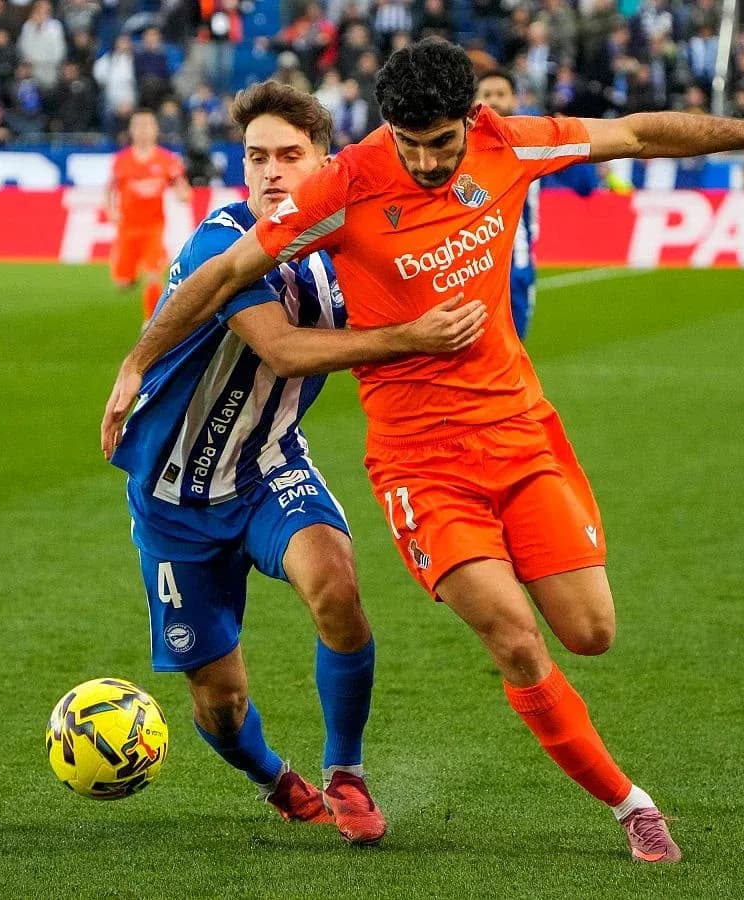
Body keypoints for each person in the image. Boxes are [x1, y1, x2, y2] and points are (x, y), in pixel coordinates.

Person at [103, 39, 744, 864]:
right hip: (396, 467)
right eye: (406, 143)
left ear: (471, 122)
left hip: (504, 436)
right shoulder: (339, 194)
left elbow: (634, 133)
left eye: (439, 144)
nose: (422, 161)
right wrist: (137, 358)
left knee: (589, 632)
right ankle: (628, 805)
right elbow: (231, 285)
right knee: (499, 640)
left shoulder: (508, 144)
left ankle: (349, 758)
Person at [104, 82, 487, 845]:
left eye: (290, 155)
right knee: (219, 701)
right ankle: (275, 777)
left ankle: (346, 772)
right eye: (257, 157)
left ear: (325, 162)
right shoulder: (223, 243)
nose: (272, 171)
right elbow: (281, 347)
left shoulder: (348, 240)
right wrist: (414, 335)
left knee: (337, 587)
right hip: (175, 501)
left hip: (269, 468)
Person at [475, 69, 542, 340]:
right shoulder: (461, 148)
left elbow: (583, 185)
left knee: (514, 349)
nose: (494, 101)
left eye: (501, 94)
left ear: (515, 99)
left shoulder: (535, 141)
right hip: (474, 265)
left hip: (518, 262)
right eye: (487, 95)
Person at [107, 109, 191, 319]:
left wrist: (183, 194)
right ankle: (129, 275)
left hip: (154, 226)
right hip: (127, 227)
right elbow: (110, 189)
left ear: (156, 130)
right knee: (123, 283)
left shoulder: (167, 160)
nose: (143, 131)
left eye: (147, 126)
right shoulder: (122, 160)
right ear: (131, 130)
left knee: (154, 274)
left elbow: (182, 187)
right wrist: (111, 210)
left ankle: (150, 321)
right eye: (139, 126)